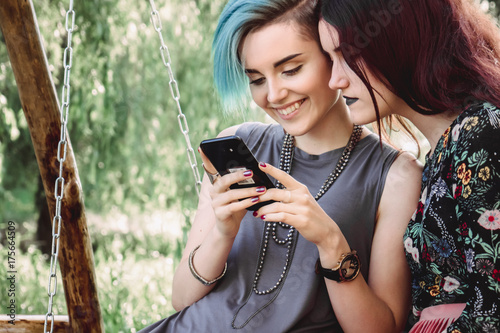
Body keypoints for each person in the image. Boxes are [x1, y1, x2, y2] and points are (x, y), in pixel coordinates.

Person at [139, 0, 421, 332]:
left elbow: (381, 329)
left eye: (290, 70)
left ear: (333, 58)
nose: (273, 94)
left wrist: (331, 241)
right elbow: (182, 298)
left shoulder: (396, 175)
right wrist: (223, 232)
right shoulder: (239, 143)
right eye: (257, 79)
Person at [318, 0, 500, 332]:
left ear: (399, 41)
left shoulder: (484, 135)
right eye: (331, 60)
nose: (335, 80)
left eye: (347, 56)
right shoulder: (445, 149)